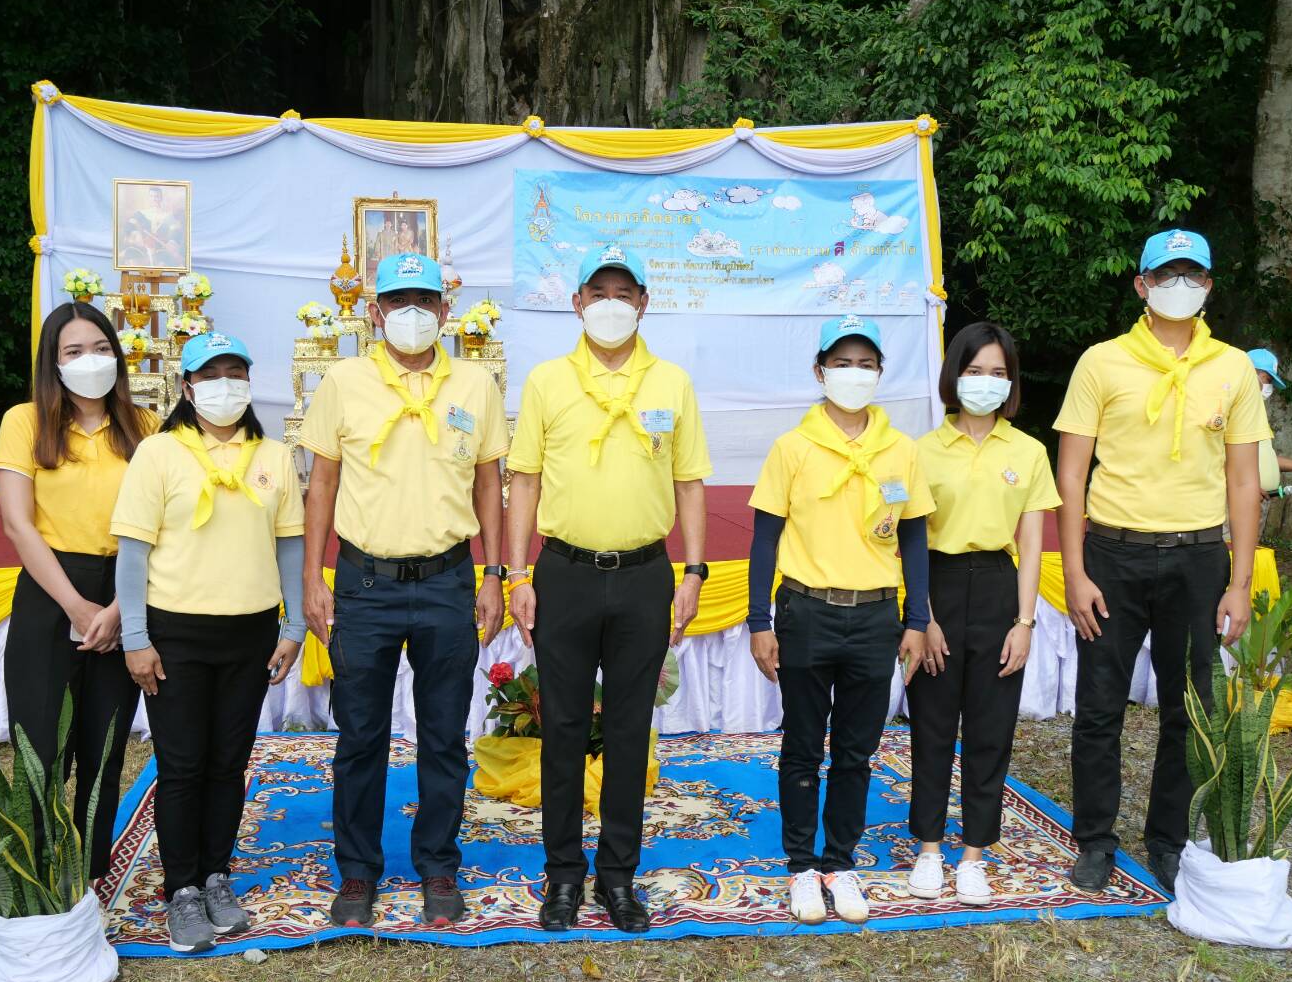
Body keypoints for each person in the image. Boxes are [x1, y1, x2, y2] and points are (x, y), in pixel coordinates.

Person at [1055, 229, 1270, 894]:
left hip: (1197, 557)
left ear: (1208, 286)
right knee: (1098, 705)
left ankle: (1167, 840)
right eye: (1166, 274)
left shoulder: (1233, 368)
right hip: (1112, 552)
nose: (1180, 286)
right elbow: (1070, 473)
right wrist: (1074, 572)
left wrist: (1239, 581)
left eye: (1192, 275)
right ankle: (1095, 840)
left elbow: (1243, 480)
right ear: (1141, 285)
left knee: (1189, 708)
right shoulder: (1101, 362)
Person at [299, 252, 508, 929]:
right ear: (374, 312)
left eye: (424, 300)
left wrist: (495, 574)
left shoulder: (474, 383)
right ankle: (357, 871)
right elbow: (322, 482)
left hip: (449, 580)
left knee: (444, 735)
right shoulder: (343, 381)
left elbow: (489, 483)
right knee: (360, 735)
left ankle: (438, 864)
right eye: (397, 301)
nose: (411, 313)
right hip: (365, 584)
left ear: (445, 310)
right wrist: (313, 578)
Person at [506, 245, 711, 933]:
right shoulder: (547, 381)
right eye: (599, 293)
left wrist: (693, 571)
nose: (612, 305)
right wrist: (516, 573)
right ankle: (563, 875)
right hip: (563, 573)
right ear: (577, 303)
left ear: (644, 303)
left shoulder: (671, 383)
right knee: (562, 729)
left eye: (625, 293)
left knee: (628, 732)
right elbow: (525, 481)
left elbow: (689, 483)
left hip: (644, 576)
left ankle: (618, 876)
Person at [111, 332, 307, 952]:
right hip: (176, 634)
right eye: (211, 374)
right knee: (183, 765)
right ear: (188, 387)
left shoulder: (273, 456)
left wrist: (294, 625)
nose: (226, 385)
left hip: (250, 633)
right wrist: (135, 637)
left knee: (229, 763)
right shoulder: (158, 453)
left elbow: (290, 544)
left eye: (236, 373)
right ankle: (182, 889)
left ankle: (217, 874)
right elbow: (132, 552)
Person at [747, 314, 933, 925]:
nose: (854, 374)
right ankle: (802, 866)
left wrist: (917, 618)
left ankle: (840, 862)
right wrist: (758, 621)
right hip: (806, 611)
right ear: (820, 370)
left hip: (875, 615)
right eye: (842, 363)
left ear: (881, 372)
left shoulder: (901, 450)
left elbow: (913, 539)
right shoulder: (793, 447)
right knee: (802, 745)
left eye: (866, 364)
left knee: (857, 749)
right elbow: (765, 538)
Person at [0, 301, 157, 881]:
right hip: (51, 590)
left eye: (101, 348)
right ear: (53, 362)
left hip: (126, 586)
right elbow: (18, 524)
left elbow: (162, 526)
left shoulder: (145, 427)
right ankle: (38, 882)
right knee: (41, 746)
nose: (91, 360)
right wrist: (76, 606)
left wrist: (119, 609)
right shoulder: (25, 422)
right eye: (74, 351)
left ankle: (89, 879)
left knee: (103, 748)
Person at [905, 322, 1059, 905]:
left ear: (1011, 382)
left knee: (991, 730)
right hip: (936, 590)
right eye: (974, 371)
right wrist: (920, 617)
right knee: (932, 725)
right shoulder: (920, 451)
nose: (985, 382)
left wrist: (1025, 623)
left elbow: (1031, 545)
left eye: (998, 373)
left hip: (999, 588)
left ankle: (973, 854)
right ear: (954, 375)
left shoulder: (1029, 452)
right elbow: (909, 541)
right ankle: (928, 848)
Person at [1245, 348, 1292, 498]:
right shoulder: (1228, 410)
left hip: (1256, 498)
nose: (1269, 388)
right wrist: (1242, 486)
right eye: (1267, 380)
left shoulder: (1258, 414)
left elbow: (1264, 458)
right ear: (1247, 373)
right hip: (1236, 498)